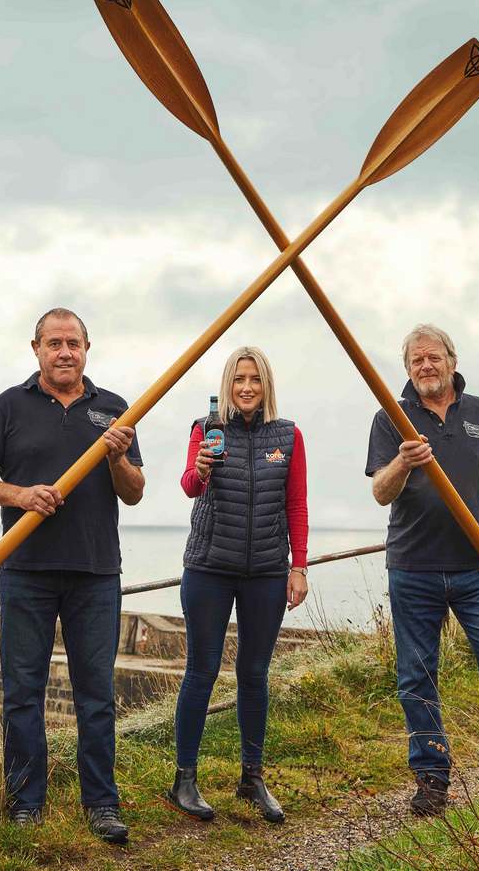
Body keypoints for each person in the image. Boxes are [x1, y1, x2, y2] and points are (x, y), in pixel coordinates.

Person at [0, 307, 144, 844]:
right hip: (25, 572)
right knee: (22, 693)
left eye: (74, 343)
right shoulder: (9, 406)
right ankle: (25, 803)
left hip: (95, 573)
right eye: (54, 343)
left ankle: (102, 805)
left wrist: (114, 459)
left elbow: (134, 491)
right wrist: (21, 495)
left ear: (88, 349)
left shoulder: (113, 408)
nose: (65, 352)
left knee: (96, 695)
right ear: (35, 348)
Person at [365, 324, 479, 817]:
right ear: (408, 369)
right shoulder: (391, 418)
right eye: (416, 361)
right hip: (412, 568)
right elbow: (380, 492)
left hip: (477, 569)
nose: (425, 367)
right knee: (417, 677)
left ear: (452, 361)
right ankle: (432, 778)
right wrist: (403, 462)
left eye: (433, 357)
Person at [166, 346, 308, 825]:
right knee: (201, 672)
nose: (246, 387)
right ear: (227, 386)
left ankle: (252, 779)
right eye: (238, 379)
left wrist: (299, 566)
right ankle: (184, 779)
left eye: (255, 379)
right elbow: (189, 485)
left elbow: (296, 505)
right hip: (209, 566)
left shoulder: (287, 436)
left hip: (267, 570)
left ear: (266, 385)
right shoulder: (206, 429)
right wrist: (201, 468)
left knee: (254, 674)